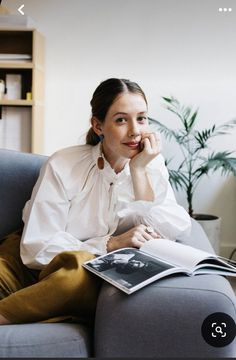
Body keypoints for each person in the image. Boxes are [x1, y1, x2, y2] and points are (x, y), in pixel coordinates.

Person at [0, 78, 191, 325]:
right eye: (121, 120)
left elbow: (168, 232)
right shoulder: (63, 164)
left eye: (141, 118)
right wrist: (110, 243)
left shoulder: (151, 166)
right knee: (72, 265)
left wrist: (139, 171)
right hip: (26, 263)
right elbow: (37, 246)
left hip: (78, 276)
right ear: (98, 126)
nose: (135, 131)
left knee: (79, 272)